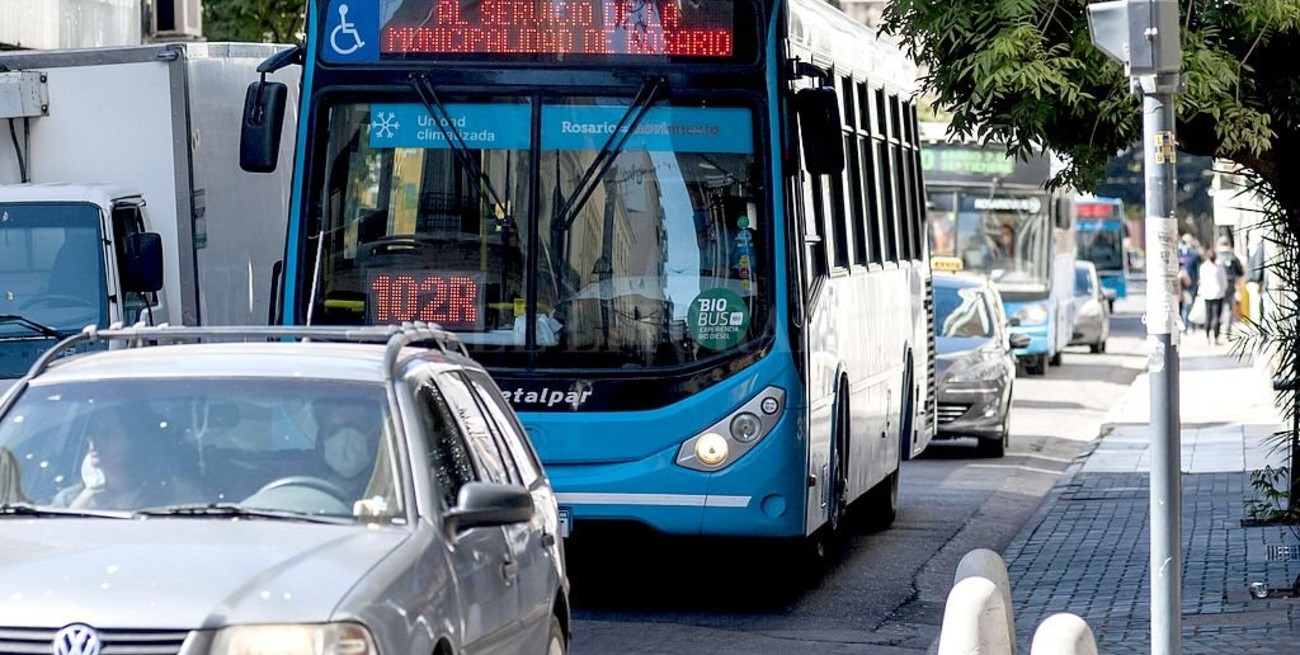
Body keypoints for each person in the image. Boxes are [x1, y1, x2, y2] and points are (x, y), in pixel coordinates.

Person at [53, 406, 202, 510]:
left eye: (108, 433)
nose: (95, 442)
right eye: (92, 433)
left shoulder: (179, 495)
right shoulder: (68, 500)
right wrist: (86, 498)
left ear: (134, 441)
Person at [312, 399, 383, 501]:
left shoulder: (389, 491)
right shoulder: (303, 491)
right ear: (321, 439)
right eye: (335, 429)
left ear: (373, 436)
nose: (345, 437)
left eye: (357, 427)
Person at [1197, 249, 1229, 344]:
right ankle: (1215, 337)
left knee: (1208, 315)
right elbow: (1224, 282)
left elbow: (1201, 280)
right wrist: (1223, 290)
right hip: (1218, 294)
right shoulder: (1219, 268)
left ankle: (1207, 337)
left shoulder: (1203, 267)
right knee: (1216, 316)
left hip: (1206, 294)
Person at [1216, 236, 1245, 329]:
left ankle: (1216, 329)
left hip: (1217, 285)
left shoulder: (1216, 256)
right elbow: (1240, 272)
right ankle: (1227, 329)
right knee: (1229, 307)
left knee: (1217, 306)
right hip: (1230, 284)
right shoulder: (1233, 257)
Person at [1178, 234, 1202, 331]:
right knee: (1188, 305)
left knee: (1185, 305)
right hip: (1188, 284)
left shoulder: (1178, 253)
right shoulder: (1193, 254)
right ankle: (1187, 325)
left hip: (1184, 284)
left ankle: (1186, 324)